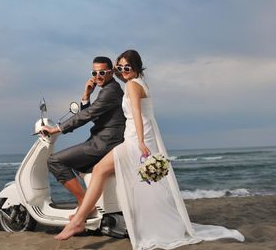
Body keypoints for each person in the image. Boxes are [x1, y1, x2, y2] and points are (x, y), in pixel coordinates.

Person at [54, 50, 244, 249]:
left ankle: (78, 221)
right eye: (120, 68)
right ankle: (86, 216)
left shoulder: (132, 86)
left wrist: (141, 142)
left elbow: (136, 114)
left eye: (127, 67)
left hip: (136, 140)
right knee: (139, 183)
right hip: (138, 137)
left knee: (101, 170)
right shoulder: (138, 83)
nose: (123, 71)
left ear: (136, 66)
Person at [40, 56, 126, 207]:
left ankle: (85, 204)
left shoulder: (110, 91)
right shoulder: (108, 89)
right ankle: (97, 201)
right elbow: (96, 117)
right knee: (75, 164)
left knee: (55, 161)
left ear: (111, 72)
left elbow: (87, 115)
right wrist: (86, 96)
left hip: (104, 143)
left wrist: (56, 129)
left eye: (102, 72)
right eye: (94, 73)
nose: (97, 76)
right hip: (103, 140)